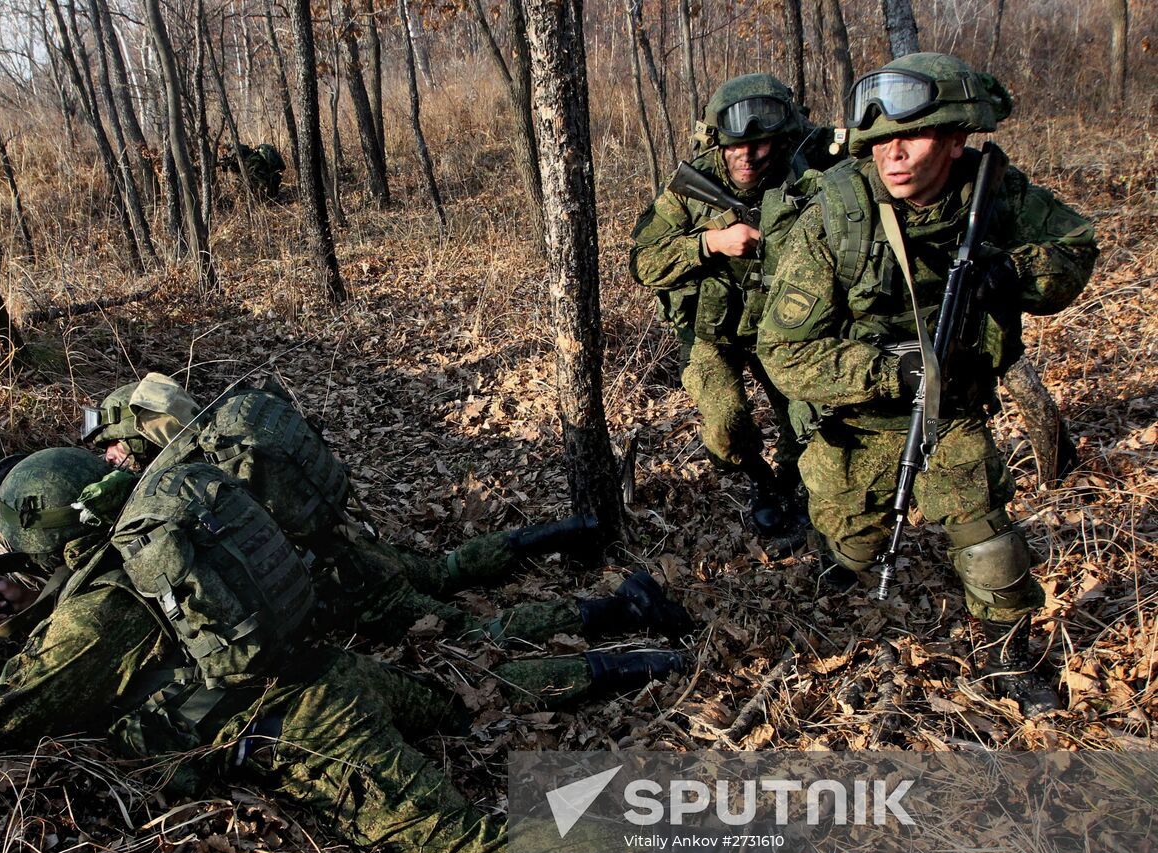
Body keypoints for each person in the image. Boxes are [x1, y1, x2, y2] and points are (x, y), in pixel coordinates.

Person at [0, 448, 791, 853]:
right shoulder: (158, 530)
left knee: (475, 846)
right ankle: (625, 661)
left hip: (308, 731)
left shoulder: (95, 613)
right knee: (464, 711)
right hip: (337, 673)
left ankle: (703, 837)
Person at [758, 53, 1097, 717]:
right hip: (857, 423)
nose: (893, 152)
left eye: (910, 137)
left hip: (953, 414)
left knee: (989, 534)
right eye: (880, 140)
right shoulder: (837, 217)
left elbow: (1078, 246)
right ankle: (838, 550)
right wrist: (894, 372)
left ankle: (1010, 656)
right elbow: (783, 352)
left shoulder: (994, 194)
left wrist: (1013, 273)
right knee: (851, 546)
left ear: (953, 139)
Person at [78, 374, 693, 648]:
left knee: (472, 636)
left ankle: (622, 607)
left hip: (344, 578)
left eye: (112, 449)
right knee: (447, 569)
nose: (107, 461)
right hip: (351, 543)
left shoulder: (179, 486)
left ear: (138, 441)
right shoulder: (216, 440)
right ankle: (570, 531)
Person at [630, 74, 833, 539]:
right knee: (726, 425)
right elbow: (643, 262)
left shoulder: (805, 172)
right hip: (713, 331)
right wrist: (711, 243)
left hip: (785, 326)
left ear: (779, 140)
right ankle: (758, 478)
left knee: (805, 415)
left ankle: (791, 484)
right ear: (717, 143)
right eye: (735, 146)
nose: (748, 156)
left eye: (760, 144)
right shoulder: (692, 186)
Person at [221, 142, 285, 199]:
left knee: (244, 184)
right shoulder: (252, 156)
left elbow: (258, 181)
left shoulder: (238, 154)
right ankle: (271, 197)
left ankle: (267, 199)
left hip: (257, 172)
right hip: (266, 176)